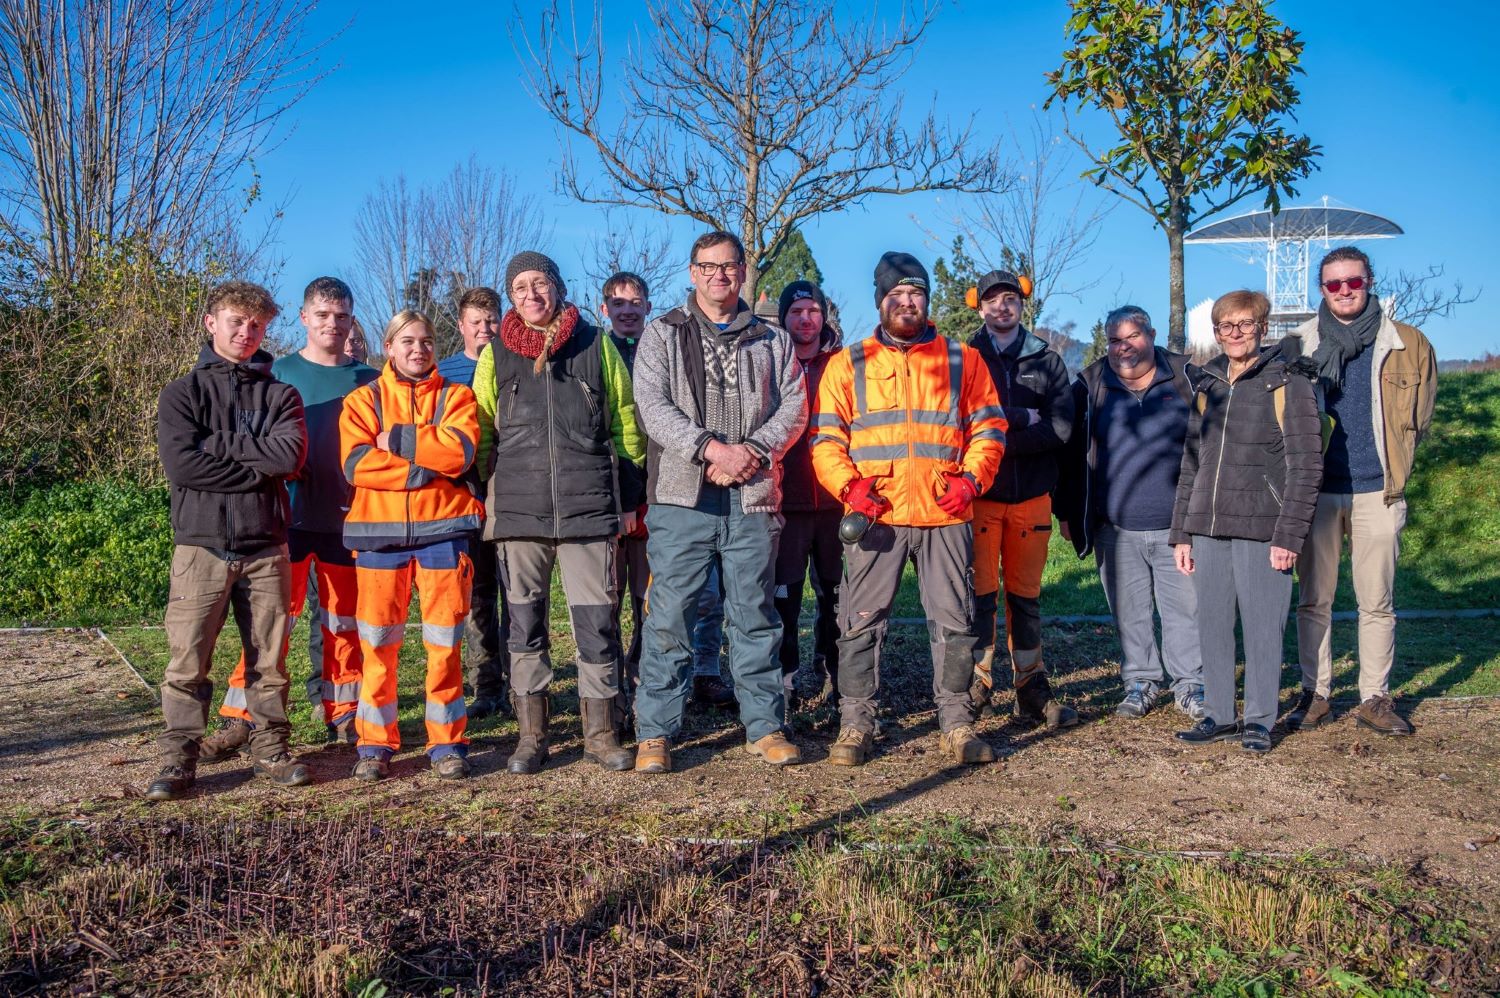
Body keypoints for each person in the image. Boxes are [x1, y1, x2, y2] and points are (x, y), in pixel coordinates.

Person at [811, 252, 1007, 766]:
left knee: (955, 623)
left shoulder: (963, 359)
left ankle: (957, 724)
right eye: (895, 294)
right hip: (876, 517)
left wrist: (971, 480)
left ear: (927, 300)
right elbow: (825, 440)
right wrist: (850, 488)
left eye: (915, 293)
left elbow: (990, 428)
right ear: (880, 301)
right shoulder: (848, 363)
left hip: (946, 513)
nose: (906, 302)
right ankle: (856, 724)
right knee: (859, 621)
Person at [630, 230, 808, 773]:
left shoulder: (773, 339)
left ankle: (765, 726)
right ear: (692, 273)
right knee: (669, 615)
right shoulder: (663, 333)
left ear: (743, 272)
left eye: (728, 266)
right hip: (681, 498)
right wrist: (711, 448)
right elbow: (652, 407)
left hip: (752, 496)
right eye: (708, 267)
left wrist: (750, 452)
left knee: (754, 614)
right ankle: (656, 732)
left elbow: (795, 407)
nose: (718, 276)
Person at [474, 252, 646, 773]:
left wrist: (629, 497)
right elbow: (481, 430)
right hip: (518, 511)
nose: (531, 294)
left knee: (597, 623)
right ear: (511, 296)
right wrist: (485, 491)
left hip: (588, 509)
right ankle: (532, 736)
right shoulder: (496, 353)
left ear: (558, 287)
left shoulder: (595, 344)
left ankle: (601, 733)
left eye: (540, 283)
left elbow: (626, 421)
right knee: (523, 624)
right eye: (520, 287)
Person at [197, 277, 377, 765]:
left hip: (350, 520)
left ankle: (345, 711)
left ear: (351, 320)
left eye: (342, 316)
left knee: (344, 622)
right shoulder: (277, 373)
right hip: (285, 519)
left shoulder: (372, 379)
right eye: (323, 315)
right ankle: (243, 717)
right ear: (304, 317)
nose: (333, 324)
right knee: (270, 624)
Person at [146, 280, 310, 800]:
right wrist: (256, 464)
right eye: (236, 321)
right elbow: (183, 466)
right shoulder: (182, 394)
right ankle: (179, 758)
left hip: (266, 546)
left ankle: (271, 750)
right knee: (187, 661)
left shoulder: (280, 394)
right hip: (201, 547)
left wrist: (216, 443)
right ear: (211, 322)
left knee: (269, 661)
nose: (246, 331)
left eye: (256, 324)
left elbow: (288, 458)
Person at [1287, 247, 1437, 736]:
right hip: (1317, 493)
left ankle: (1375, 697)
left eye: (1353, 281)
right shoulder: (1299, 344)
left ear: (1369, 281)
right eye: (1334, 284)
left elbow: (1419, 417)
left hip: (1379, 491)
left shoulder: (1408, 344)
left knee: (1376, 601)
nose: (1345, 291)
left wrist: (1397, 466)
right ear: (1322, 289)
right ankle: (1316, 693)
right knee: (1315, 599)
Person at [1171, 290, 1322, 754]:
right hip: (1208, 527)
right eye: (1225, 326)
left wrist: (1289, 534)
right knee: (1213, 624)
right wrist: (1182, 532)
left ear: (1262, 327)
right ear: (1216, 333)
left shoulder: (1287, 382)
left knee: (1262, 628)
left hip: (1264, 528)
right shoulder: (1208, 385)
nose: (1235, 333)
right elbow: (1191, 462)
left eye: (1245, 324)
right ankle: (1218, 714)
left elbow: (1307, 465)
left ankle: (1259, 719)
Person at [340, 310, 483, 780]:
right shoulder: (363, 400)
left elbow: (460, 453)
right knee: (377, 645)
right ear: (389, 347)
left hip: (444, 533)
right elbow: (357, 464)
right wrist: (426, 465)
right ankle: (374, 743)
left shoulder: (457, 396)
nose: (418, 349)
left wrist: (397, 440)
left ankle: (447, 743)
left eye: (426, 341)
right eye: (407, 341)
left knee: (444, 645)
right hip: (378, 538)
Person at [1056, 306, 1206, 720]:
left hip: (1179, 527)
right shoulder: (1090, 385)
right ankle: (1140, 682)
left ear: (1151, 335)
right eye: (1115, 341)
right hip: (1115, 527)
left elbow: (1212, 447)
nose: (1124, 347)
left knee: (1185, 611)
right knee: (1129, 612)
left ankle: (1191, 685)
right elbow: (1068, 455)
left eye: (1133, 337)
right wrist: (1066, 512)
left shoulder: (1187, 379)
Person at [964, 271, 1078, 730]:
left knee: (1025, 596)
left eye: (1010, 298)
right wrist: (1019, 417)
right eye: (992, 300)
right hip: (981, 496)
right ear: (979, 307)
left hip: (1032, 497)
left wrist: (995, 439)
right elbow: (960, 422)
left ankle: (1031, 686)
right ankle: (976, 684)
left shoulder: (1048, 360)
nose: (1002, 307)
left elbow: (1061, 428)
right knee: (979, 596)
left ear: (1021, 304)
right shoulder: (964, 358)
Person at [438, 287, 511, 720]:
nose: (485, 329)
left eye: (491, 320)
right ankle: (485, 683)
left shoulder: (515, 362)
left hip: (513, 493)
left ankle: (519, 684)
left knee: (517, 592)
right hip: (465, 497)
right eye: (476, 322)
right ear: (461, 325)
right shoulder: (444, 372)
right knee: (478, 593)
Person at [774, 280, 844, 708]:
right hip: (787, 502)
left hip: (837, 503)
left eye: (812, 311)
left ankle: (834, 671)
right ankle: (786, 680)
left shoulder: (843, 363)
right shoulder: (769, 360)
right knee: (784, 597)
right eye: (796, 311)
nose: (805, 319)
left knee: (836, 596)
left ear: (824, 316)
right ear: (784, 317)